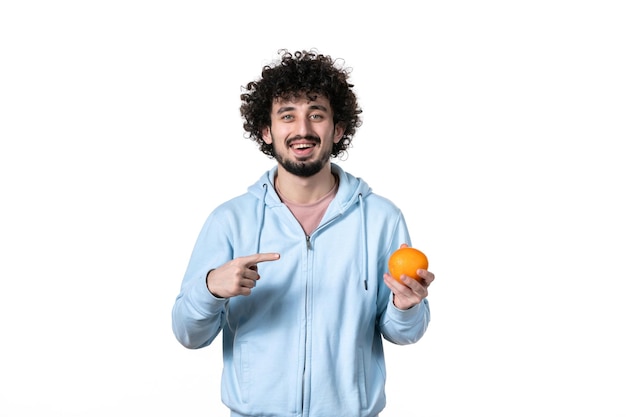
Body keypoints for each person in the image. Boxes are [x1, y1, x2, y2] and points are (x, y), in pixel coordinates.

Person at [171, 49, 435, 417]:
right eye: (287, 116)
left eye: (317, 115)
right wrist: (211, 287)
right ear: (266, 130)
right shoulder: (230, 220)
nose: (303, 130)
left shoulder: (381, 219)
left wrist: (406, 306)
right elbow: (188, 333)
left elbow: (405, 332)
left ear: (338, 128)